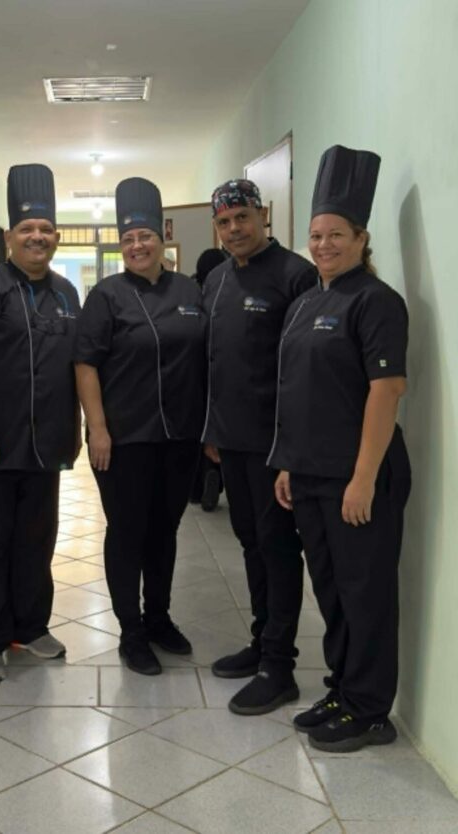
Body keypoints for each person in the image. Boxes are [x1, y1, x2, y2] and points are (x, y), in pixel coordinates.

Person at [269, 145, 410, 752]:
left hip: (359, 477)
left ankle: (371, 710)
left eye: (335, 235)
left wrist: (363, 478)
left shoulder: (376, 302)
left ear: (360, 239)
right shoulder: (306, 302)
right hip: (310, 474)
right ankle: (343, 689)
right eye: (316, 235)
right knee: (330, 591)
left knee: (365, 593)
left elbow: (387, 390)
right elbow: (297, 390)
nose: (323, 244)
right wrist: (287, 463)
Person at [0, 164, 81, 682]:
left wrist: (73, 427)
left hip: (46, 443)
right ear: (9, 237)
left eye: (46, 229)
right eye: (27, 228)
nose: (37, 236)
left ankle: (30, 627)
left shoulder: (67, 294)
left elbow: (73, 366)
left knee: (37, 538)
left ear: (56, 237)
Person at [75, 177, 206, 675]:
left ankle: (159, 618)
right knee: (127, 532)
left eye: (145, 236)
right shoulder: (106, 296)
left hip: (180, 437)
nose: (136, 245)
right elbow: (85, 364)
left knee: (165, 530)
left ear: (162, 237)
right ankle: (131, 631)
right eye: (128, 238)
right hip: (124, 438)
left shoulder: (190, 290)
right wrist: (98, 429)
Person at [202, 179, 316, 714]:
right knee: (249, 542)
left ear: (262, 214)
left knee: (277, 547)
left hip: (274, 444)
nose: (234, 229)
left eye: (242, 218)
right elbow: (216, 361)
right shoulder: (217, 279)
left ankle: (279, 666)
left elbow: (303, 369)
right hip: (232, 441)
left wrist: (292, 448)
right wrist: (213, 431)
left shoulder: (296, 276)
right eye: (224, 222)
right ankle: (261, 639)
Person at [188, 248, 226, 511]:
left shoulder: (191, 291)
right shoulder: (223, 290)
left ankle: (195, 488)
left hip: (194, 372)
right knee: (218, 431)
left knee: (198, 432)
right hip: (220, 370)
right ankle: (217, 475)